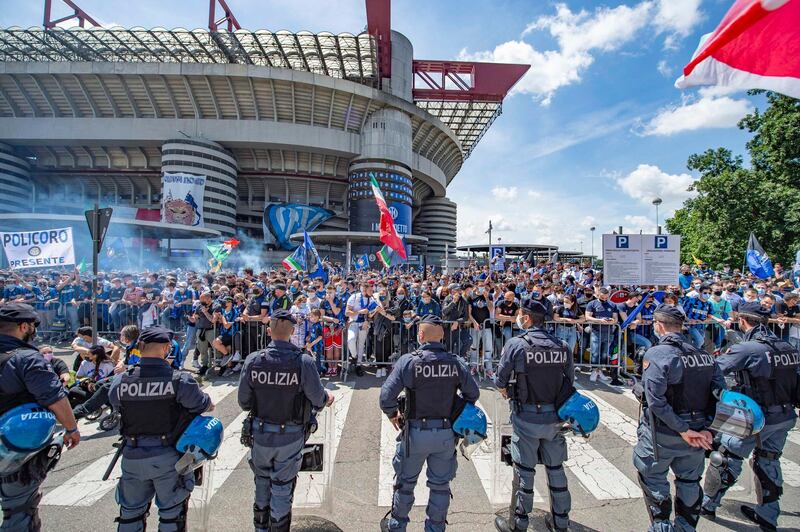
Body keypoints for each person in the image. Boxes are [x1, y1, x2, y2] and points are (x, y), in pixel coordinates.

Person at [700, 302, 799, 530]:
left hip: (750, 415)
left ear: (743, 321)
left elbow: (714, 370)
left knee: (725, 458)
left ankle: (707, 504)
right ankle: (768, 516)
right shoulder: (787, 347)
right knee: (769, 462)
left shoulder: (747, 349)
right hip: (783, 414)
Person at [108, 326, 214, 532]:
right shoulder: (179, 380)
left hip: (132, 455)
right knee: (171, 516)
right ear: (166, 348)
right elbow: (203, 404)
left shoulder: (122, 379)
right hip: (169, 456)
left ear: (139, 347)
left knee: (129, 515)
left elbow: (115, 403)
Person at [379, 314, 479, 532]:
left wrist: (393, 414)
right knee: (440, 487)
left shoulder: (408, 361)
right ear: (442, 336)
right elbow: (473, 394)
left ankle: (397, 527)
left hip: (414, 433)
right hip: (445, 434)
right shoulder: (456, 362)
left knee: (405, 485)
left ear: (420, 335)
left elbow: (386, 397)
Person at [238, 310, 333, 532]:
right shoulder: (303, 362)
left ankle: (260, 528)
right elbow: (318, 400)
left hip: (260, 434)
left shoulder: (254, 360)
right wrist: (327, 399)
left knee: (261, 483)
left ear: (269, 331)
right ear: (292, 332)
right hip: (290, 436)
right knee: (282, 488)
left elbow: (244, 402)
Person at [632, 304, 724, 532]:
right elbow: (723, 398)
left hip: (665, 433)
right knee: (690, 484)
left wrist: (683, 429)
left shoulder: (658, 354)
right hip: (698, 433)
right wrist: (709, 431)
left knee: (654, 482)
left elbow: (655, 401)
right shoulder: (704, 356)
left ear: (660, 326)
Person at [493, 299, 574, 532]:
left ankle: (518, 523)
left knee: (524, 470)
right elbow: (569, 382)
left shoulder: (516, 345)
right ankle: (561, 522)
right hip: (555, 418)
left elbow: (499, 381)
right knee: (556, 469)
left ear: (526, 318)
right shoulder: (562, 346)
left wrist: (509, 392)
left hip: (526, 416)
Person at [0, 303, 81, 531]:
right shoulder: (26, 358)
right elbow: (54, 397)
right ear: (24, 326)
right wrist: (72, 429)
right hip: (13, 451)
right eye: (33, 327)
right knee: (19, 511)